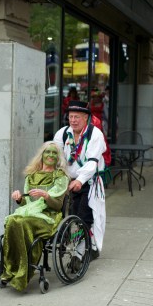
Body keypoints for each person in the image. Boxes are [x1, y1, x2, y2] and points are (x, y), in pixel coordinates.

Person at [0, 142, 69, 291]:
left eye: (54, 153)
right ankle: (11, 268)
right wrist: (19, 198)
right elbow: (27, 203)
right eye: (47, 152)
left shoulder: (60, 176)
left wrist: (46, 195)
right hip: (30, 213)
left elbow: (57, 205)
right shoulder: (31, 176)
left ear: (58, 158)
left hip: (48, 216)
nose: (50, 155)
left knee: (21, 223)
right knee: (12, 221)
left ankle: (23, 271)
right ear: (42, 155)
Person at [53, 100, 106, 259]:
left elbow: (92, 162)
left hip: (89, 182)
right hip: (67, 181)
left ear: (85, 118)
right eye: (70, 116)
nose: (73, 120)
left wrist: (80, 180)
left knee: (84, 217)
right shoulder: (62, 133)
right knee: (63, 216)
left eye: (77, 117)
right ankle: (78, 243)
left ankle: (80, 253)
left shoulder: (95, 134)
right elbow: (55, 156)